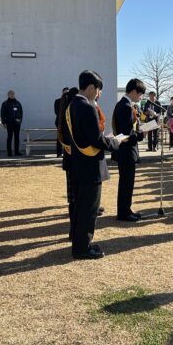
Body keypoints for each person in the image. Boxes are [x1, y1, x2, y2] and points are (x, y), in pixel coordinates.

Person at [67, 70, 120, 259]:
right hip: (90, 166)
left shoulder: (72, 104)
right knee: (89, 210)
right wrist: (115, 143)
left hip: (79, 164)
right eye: (97, 89)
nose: (98, 94)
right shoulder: (87, 107)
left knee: (81, 207)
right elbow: (96, 140)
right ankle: (83, 248)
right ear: (90, 87)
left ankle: (79, 243)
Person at [112, 78, 146, 222]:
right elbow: (126, 133)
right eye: (140, 94)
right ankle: (124, 213)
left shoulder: (123, 104)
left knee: (126, 182)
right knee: (127, 183)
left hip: (124, 151)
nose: (141, 97)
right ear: (133, 92)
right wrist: (140, 134)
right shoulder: (125, 106)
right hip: (126, 151)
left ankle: (126, 209)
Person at [57, 87, 79, 240]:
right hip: (78, 160)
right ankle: (76, 230)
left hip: (69, 159)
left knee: (72, 199)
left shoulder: (63, 114)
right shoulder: (74, 113)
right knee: (79, 198)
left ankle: (73, 230)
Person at [1, 90, 24, 156]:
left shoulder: (18, 103)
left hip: (17, 124)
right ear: (8, 95)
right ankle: (9, 152)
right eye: (10, 94)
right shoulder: (5, 103)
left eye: (13, 93)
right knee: (9, 137)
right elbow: (3, 114)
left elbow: (21, 112)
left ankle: (16, 152)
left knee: (17, 137)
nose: (12, 95)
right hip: (9, 123)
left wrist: (20, 120)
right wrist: (4, 122)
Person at [54, 87, 69, 158]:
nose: (66, 94)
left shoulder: (70, 101)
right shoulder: (57, 101)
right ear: (62, 92)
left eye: (67, 93)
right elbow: (57, 112)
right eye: (65, 92)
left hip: (68, 123)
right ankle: (59, 153)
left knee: (68, 138)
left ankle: (68, 153)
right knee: (59, 138)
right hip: (60, 122)